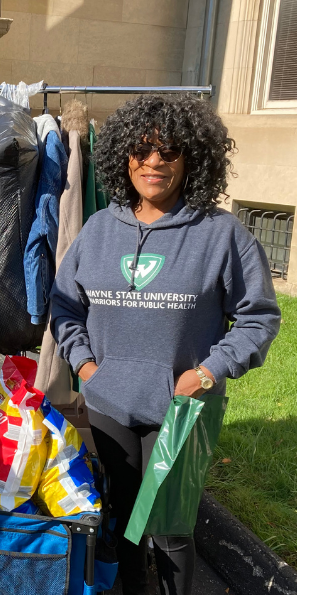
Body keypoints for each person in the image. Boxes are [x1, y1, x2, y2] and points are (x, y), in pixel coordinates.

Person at [50, 95, 281, 595]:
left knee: (170, 525)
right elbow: (66, 306)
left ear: (192, 158)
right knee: (126, 518)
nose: (155, 162)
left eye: (170, 151)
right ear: (123, 156)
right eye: (143, 149)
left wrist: (206, 373)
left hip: (183, 405)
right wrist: (87, 367)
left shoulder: (221, 234)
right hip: (110, 401)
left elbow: (258, 317)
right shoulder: (98, 229)